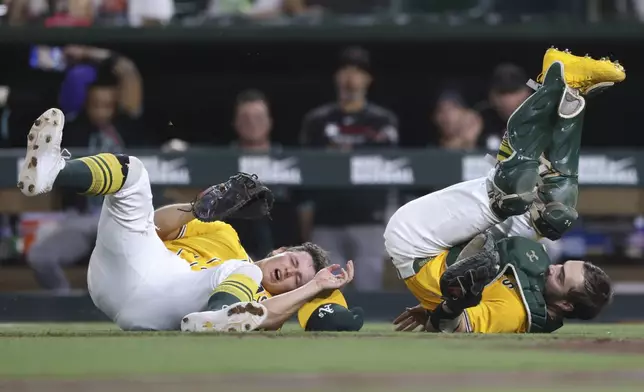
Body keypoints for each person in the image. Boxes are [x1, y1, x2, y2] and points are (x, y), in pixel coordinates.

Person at [17, 108, 361, 332]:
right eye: (293, 261)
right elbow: (154, 226)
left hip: (168, 309)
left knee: (245, 277)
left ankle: (216, 318)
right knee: (133, 172)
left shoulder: (263, 303)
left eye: (296, 279)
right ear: (280, 250)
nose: (289, 272)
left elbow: (272, 315)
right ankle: (54, 170)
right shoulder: (224, 235)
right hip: (123, 269)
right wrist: (197, 208)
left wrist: (313, 286)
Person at [386, 48, 624, 333]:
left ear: (565, 306)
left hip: (416, 245)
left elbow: (454, 328)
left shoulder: (515, 314)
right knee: (555, 211)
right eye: (563, 266)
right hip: (451, 249)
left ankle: (556, 81)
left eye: (560, 277)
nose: (552, 267)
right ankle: (573, 91)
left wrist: (448, 306)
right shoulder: (541, 279)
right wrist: (430, 307)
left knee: (511, 193)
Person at [299, 46, 399, 292]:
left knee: (369, 290)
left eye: (357, 71)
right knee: (325, 294)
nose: (350, 77)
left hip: (369, 220)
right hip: (326, 220)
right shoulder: (317, 121)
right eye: (345, 70)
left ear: (368, 78)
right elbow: (305, 175)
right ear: (337, 76)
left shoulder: (382, 121)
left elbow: (392, 173)